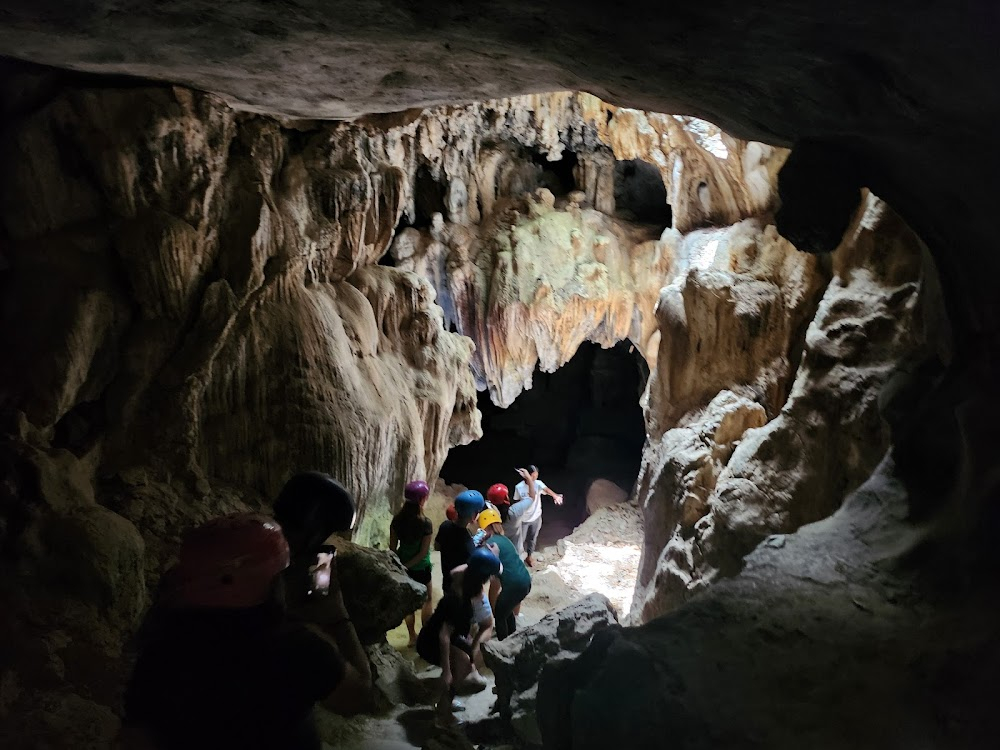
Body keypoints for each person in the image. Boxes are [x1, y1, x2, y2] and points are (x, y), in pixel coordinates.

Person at [121, 513, 355, 750]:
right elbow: (359, 696)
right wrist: (338, 616)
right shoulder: (301, 649)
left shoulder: (162, 649)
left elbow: (136, 737)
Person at [272, 471, 373, 715]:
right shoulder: (292, 640)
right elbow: (360, 693)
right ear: (313, 529)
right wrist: (338, 617)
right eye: (325, 533)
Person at [416, 546, 502, 723]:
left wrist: (473, 648)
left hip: (449, 635)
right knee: (458, 672)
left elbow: (467, 568)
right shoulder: (455, 601)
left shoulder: (463, 577)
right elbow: (443, 636)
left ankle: (446, 700)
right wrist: (447, 670)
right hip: (431, 641)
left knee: (466, 662)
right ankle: (444, 712)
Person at [389, 480, 434, 646]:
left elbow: (392, 547)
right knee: (427, 600)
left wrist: (401, 566)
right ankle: (426, 635)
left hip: (402, 565)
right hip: (421, 567)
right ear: (422, 499)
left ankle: (412, 636)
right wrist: (410, 565)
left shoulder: (397, 520)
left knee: (408, 605)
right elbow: (423, 552)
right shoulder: (425, 523)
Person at [476, 507, 532, 639]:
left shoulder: (489, 544)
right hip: (525, 580)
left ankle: (503, 643)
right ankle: (512, 635)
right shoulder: (504, 539)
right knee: (507, 610)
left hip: (513, 585)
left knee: (500, 614)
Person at [434, 489, 484, 593]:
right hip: (462, 590)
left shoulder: (445, 526)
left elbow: (437, 546)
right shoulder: (468, 545)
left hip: (447, 582)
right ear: (474, 516)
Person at [514, 465, 563, 567]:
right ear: (527, 475)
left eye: (536, 476)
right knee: (520, 541)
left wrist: (555, 496)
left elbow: (547, 490)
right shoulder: (519, 487)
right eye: (533, 476)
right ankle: (518, 560)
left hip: (536, 517)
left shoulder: (538, 484)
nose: (535, 478)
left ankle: (529, 557)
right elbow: (517, 501)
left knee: (532, 539)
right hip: (523, 519)